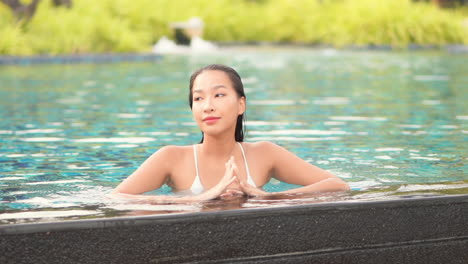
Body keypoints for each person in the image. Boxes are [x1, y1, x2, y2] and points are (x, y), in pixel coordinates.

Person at [113, 64, 349, 203]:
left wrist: (265, 197)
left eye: (219, 95)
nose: (208, 106)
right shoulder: (171, 158)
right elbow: (117, 197)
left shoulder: (265, 154)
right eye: (198, 98)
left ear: (241, 105)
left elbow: (337, 185)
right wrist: (196, 200)